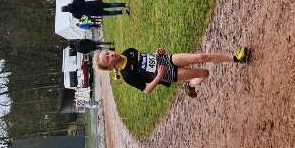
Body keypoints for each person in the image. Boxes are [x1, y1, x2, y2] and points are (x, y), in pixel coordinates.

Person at [95, 47, 250, 96]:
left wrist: (157, 53)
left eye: (107, 53)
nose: (111, 55)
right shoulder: (127, 75)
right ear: (110, 68)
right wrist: (160, 76)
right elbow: (147, 90)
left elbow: (148, 59)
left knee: (200, 56)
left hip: (165, 60)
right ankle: (190, 86)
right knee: (204, 73)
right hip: (166, 74)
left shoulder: (128, 51)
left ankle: (236, 59)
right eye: (107, 59)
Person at [61, 0, 129, 18]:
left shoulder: (74, 14)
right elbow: (82, 0)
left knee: (108, 13)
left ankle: (121, 12)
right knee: (109, 5)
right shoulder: (74, 2)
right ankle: (124, 4)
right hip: (92, 4)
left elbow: (80, 17)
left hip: (92, 12)